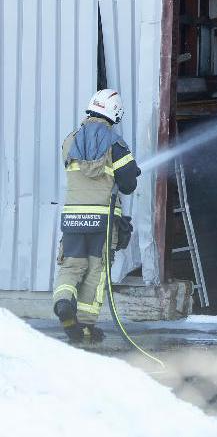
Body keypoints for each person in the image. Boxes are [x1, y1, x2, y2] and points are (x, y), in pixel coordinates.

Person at [53, 89, 140, 344]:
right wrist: (131, 172)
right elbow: (128, 185)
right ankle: (85, 326)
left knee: (71, 266)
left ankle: (63, 302)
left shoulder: (70, 140)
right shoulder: (116, 144)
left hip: (73, 218)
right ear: (115, 112)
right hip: (103, 221)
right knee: (96, 270)